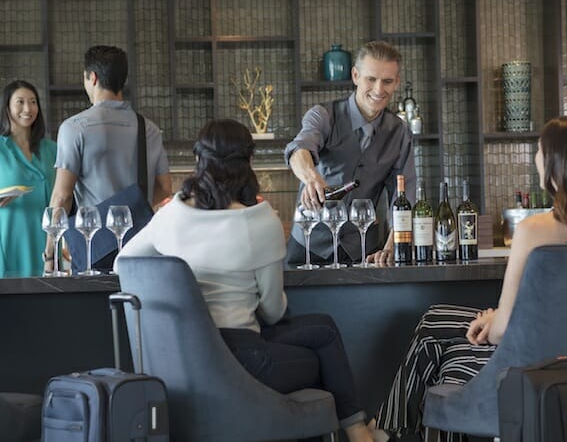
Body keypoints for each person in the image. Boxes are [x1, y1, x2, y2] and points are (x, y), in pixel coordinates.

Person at [116, 119, 377, 442]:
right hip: (244, 361)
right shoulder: (260, 220)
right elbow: (271, 311)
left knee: (322, 329)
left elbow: (124, 261)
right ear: (249, 163)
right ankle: (357, 433)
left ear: (199, 162)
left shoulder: (169, 217)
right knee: (320, 357)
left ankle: (357, 431)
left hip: (180, 362)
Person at [373, 116, 567, 441]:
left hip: (529, 363)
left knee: (445, 356)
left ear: (556, 164)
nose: (535, 158)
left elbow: (503, 332)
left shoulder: (533, 230)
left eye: (540, 151)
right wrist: (496, 317)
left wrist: (496, 320)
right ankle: (386, 430)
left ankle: (387, 430)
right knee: (434, 318)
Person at [284, 40, 416, 265]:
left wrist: (393, 245)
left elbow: (404, 195)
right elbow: (299, 149)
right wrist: (311, 177)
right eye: (371, 79)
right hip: (310, 244)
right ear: (355, 76)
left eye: (387, 81)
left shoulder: (399, 132)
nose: (378, 89)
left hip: (364, 247)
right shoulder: (323, 115)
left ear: (397, 83)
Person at [44, 45, 172, 271]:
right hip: (141, 248)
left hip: (92, 247)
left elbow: (62, 197)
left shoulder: (75, 127)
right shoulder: (148, 128)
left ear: (92, 78)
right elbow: (164, 188)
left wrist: (50, 252)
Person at [0, 80, 57, 277]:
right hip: (10, 235)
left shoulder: (52, 149)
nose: (28, 108)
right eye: (20, 102)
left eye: (33, 102)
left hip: (47, 240)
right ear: (7, 107)